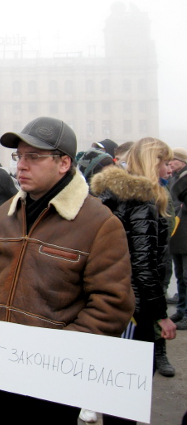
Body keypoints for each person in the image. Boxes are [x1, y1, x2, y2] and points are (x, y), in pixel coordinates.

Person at [0, 117, 135, 424]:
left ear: (64, 163)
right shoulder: (6, 214)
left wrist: (57, 353)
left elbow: (112, 304)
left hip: (52, 382)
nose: (21, 166)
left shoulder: (99, 223)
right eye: (19, 157)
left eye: (34, 157)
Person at [91, 137, 177, 423]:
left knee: (117, 384)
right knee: (127, 387)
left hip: (110, 298)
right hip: (131, 307)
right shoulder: (141, 200)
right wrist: (161, 315)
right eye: (163, 162)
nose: (169, 168)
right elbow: (143, 265)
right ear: (152, 163)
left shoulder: (114, 194)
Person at [169, 148, 187, 324]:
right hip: (177, 232)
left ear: (182, 161)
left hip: (184, 232)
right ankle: (181, 310)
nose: (171, 163)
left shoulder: (184, 178)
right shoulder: (175, 177)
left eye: (174, 160)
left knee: (186, 275)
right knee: (180, 274)